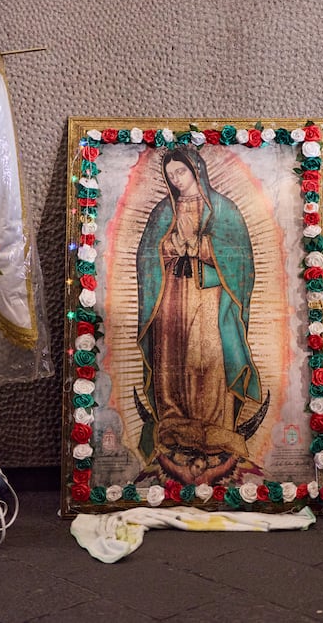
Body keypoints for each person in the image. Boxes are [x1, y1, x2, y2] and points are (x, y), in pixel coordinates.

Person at [134, 148, 265, 484]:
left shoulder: (223, 210)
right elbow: (147, 257)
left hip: (209, 297)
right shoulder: (164, 211)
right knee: (172, 360)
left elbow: (241, 261)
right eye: (172, 174)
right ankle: (175, 425)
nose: (177, 179)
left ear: (197, 170)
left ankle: (215, 428)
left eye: (182, 172)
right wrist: (168, 247)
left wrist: (205, 247)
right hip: (172, 296)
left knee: (206, 358)